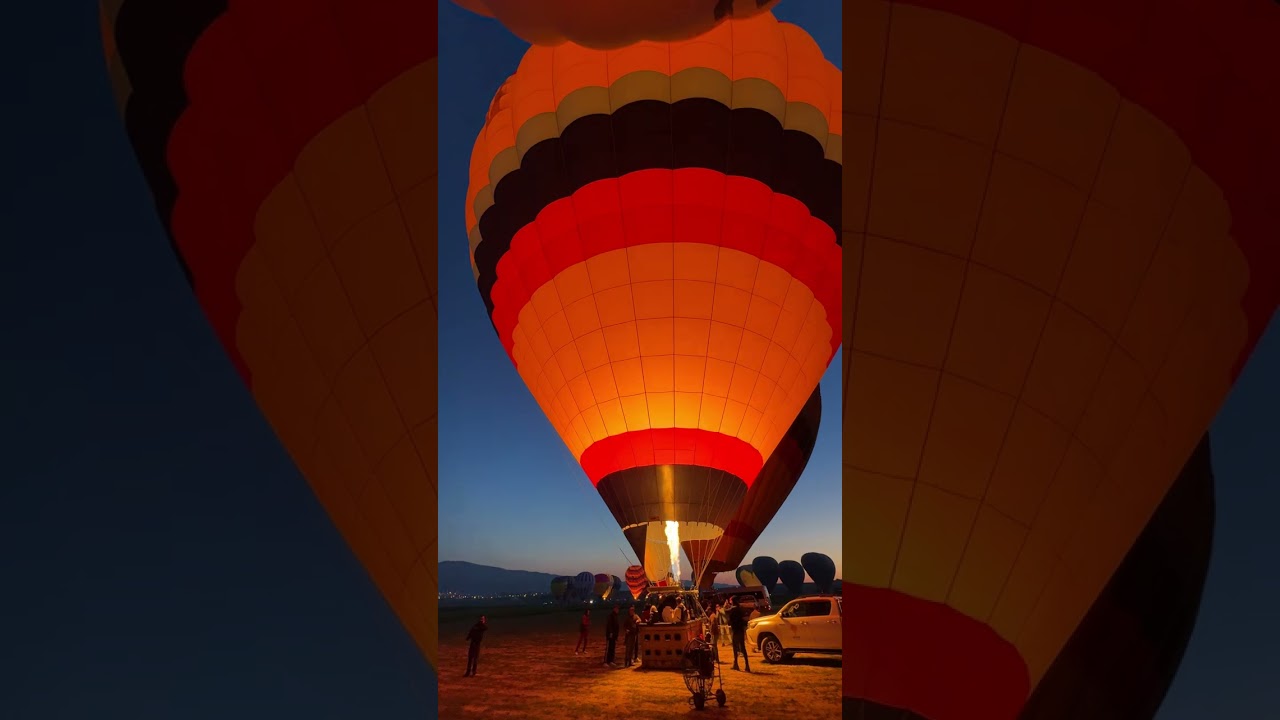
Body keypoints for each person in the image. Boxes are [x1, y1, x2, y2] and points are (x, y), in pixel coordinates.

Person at [728, 599, 751, 672]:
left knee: (735, 648)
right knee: (743, 648)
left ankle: (736, 664)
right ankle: (747, 665)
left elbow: (729, 620)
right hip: (741, 630)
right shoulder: (740, 609)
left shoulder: (732, 610)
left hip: (735, 631)